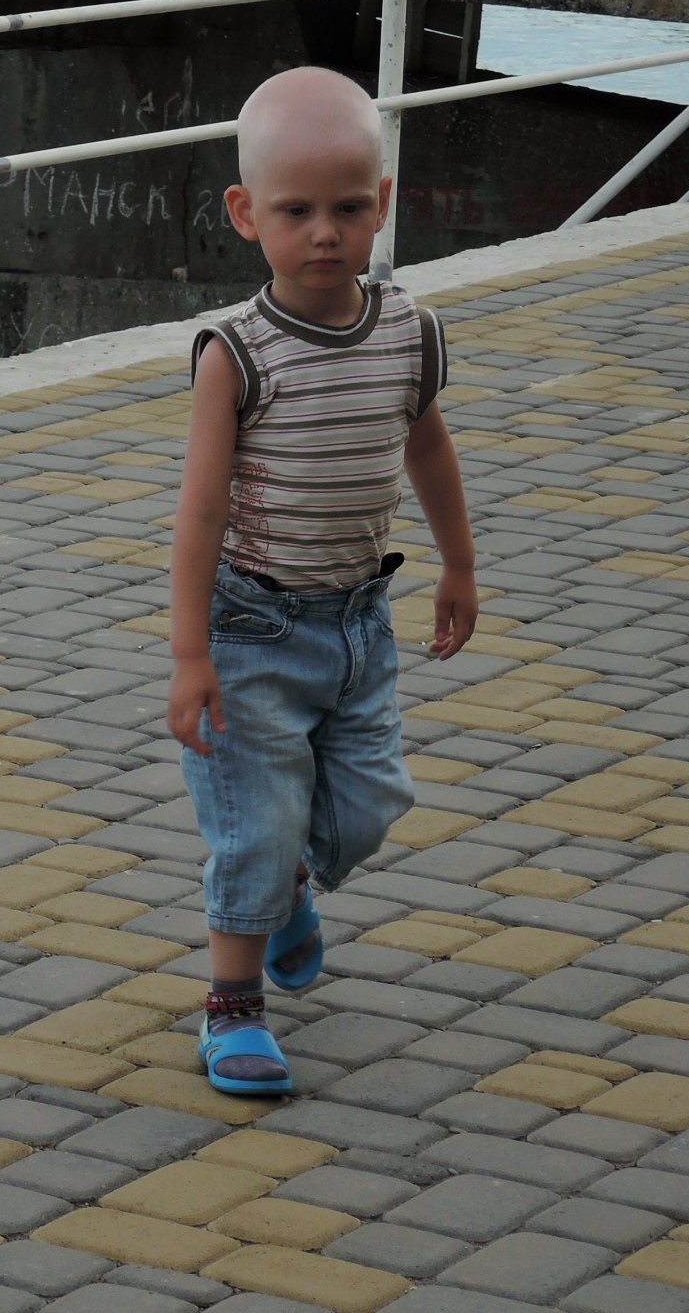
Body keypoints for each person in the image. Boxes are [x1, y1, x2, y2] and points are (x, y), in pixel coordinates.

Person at [167, 66, 478, 1096]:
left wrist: (458, 564)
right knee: (253, 826)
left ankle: (290, 882)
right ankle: (233, 1009)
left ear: (382, 202)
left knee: (371, 804)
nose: (325, 234)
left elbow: (426, 448)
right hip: (251, 629)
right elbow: (200, 513)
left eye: (348, 208)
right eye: (295, 212)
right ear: (245, 214)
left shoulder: (406, 332)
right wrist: (189, 655)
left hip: (359, 623)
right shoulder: (236, 355)